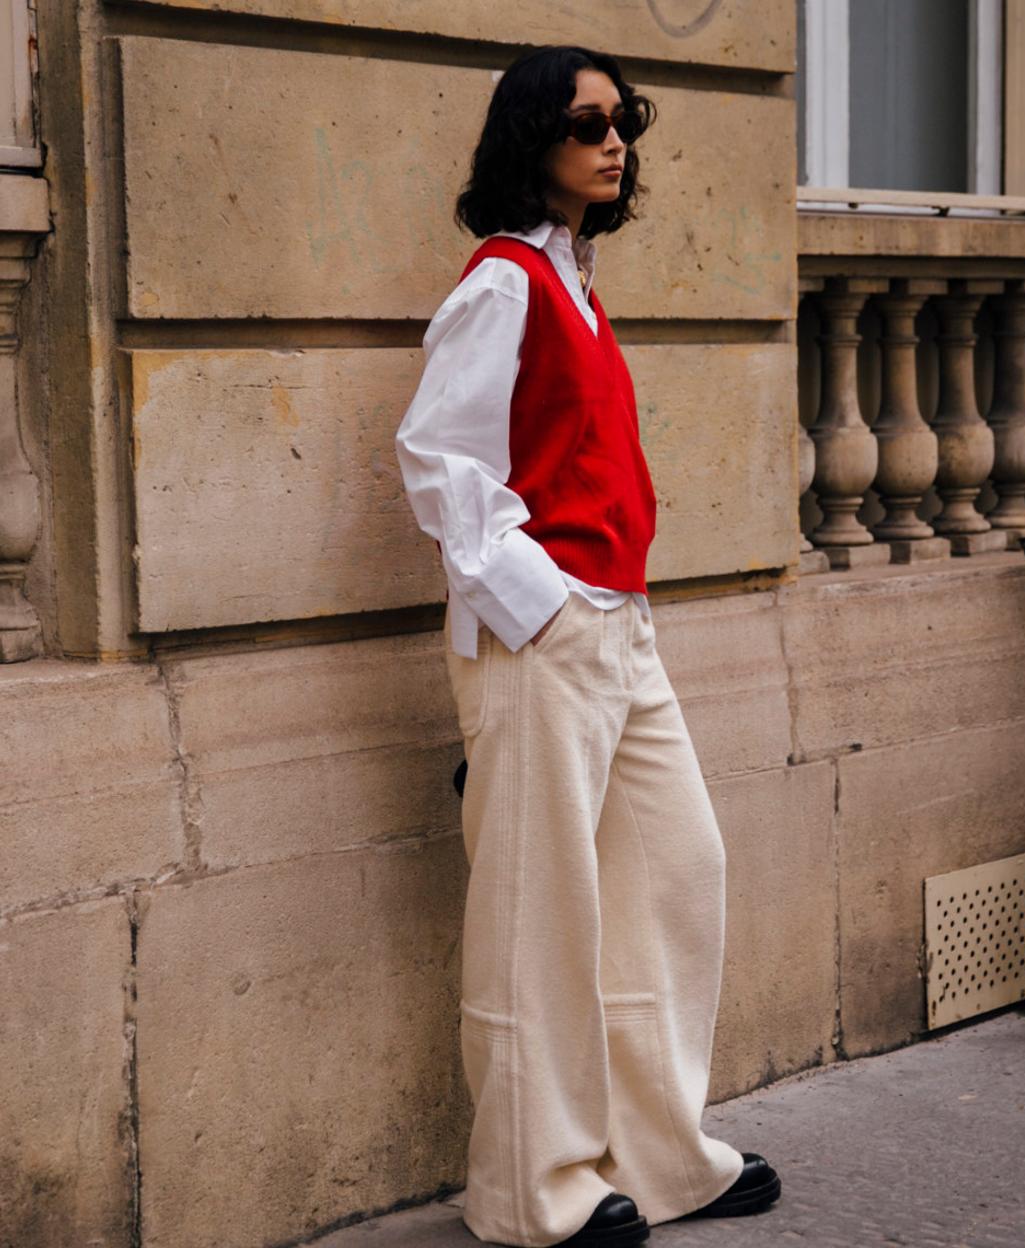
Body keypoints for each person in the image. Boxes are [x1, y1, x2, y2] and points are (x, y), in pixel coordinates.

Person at [394, 45, 781, 1248]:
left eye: (623, 122)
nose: (614, 143)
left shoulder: (576, 280)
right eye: (586, 125)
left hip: (617, 626)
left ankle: (660, 1158)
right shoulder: (505, 283)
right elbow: (439, 461)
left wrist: (597, 607)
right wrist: (540, 602)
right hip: (547, 635)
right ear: (532, 145)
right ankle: (531, 1194)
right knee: (539, 918)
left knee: (675, 873)